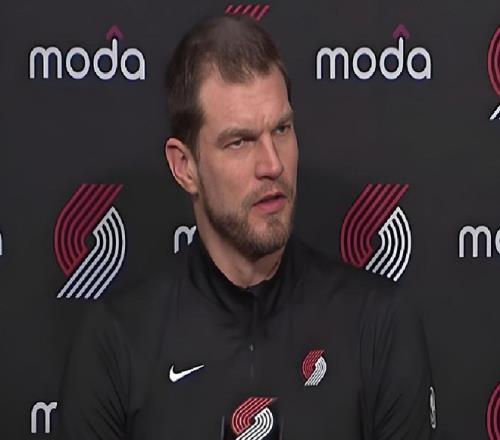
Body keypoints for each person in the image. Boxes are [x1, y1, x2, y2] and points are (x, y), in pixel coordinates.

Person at [57, 15, 436, 440]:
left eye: (282, 129)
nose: (272, 165)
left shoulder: (379, 325)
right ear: (185, 167)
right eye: (239, 142)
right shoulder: (116, 341)